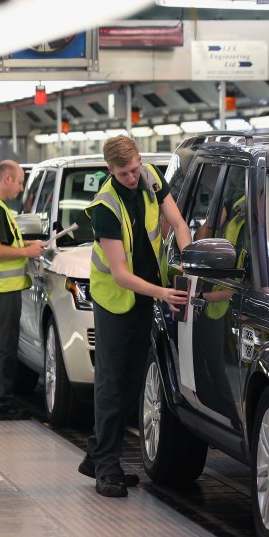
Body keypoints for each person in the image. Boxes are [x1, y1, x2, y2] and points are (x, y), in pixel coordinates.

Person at [79, 135, 191, 498]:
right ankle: (107, 469)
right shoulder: (105, 208)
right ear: (109, 170)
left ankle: (97, 454)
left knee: (131, 382)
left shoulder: (151, 178)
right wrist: (163, 293)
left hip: (144, 295)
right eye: (124, 172)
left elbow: (178, 222)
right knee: (111, 384)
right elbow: (120, 274)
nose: (133, 176)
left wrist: (191, 266)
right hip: (115, 300)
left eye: (135, 167)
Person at [0, 160, 44, 421]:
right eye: (21, 182)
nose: (21, 188)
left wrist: (27, 243)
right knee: (1, 348)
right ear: (6, 179)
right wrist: (27, 251)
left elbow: (2, 242)